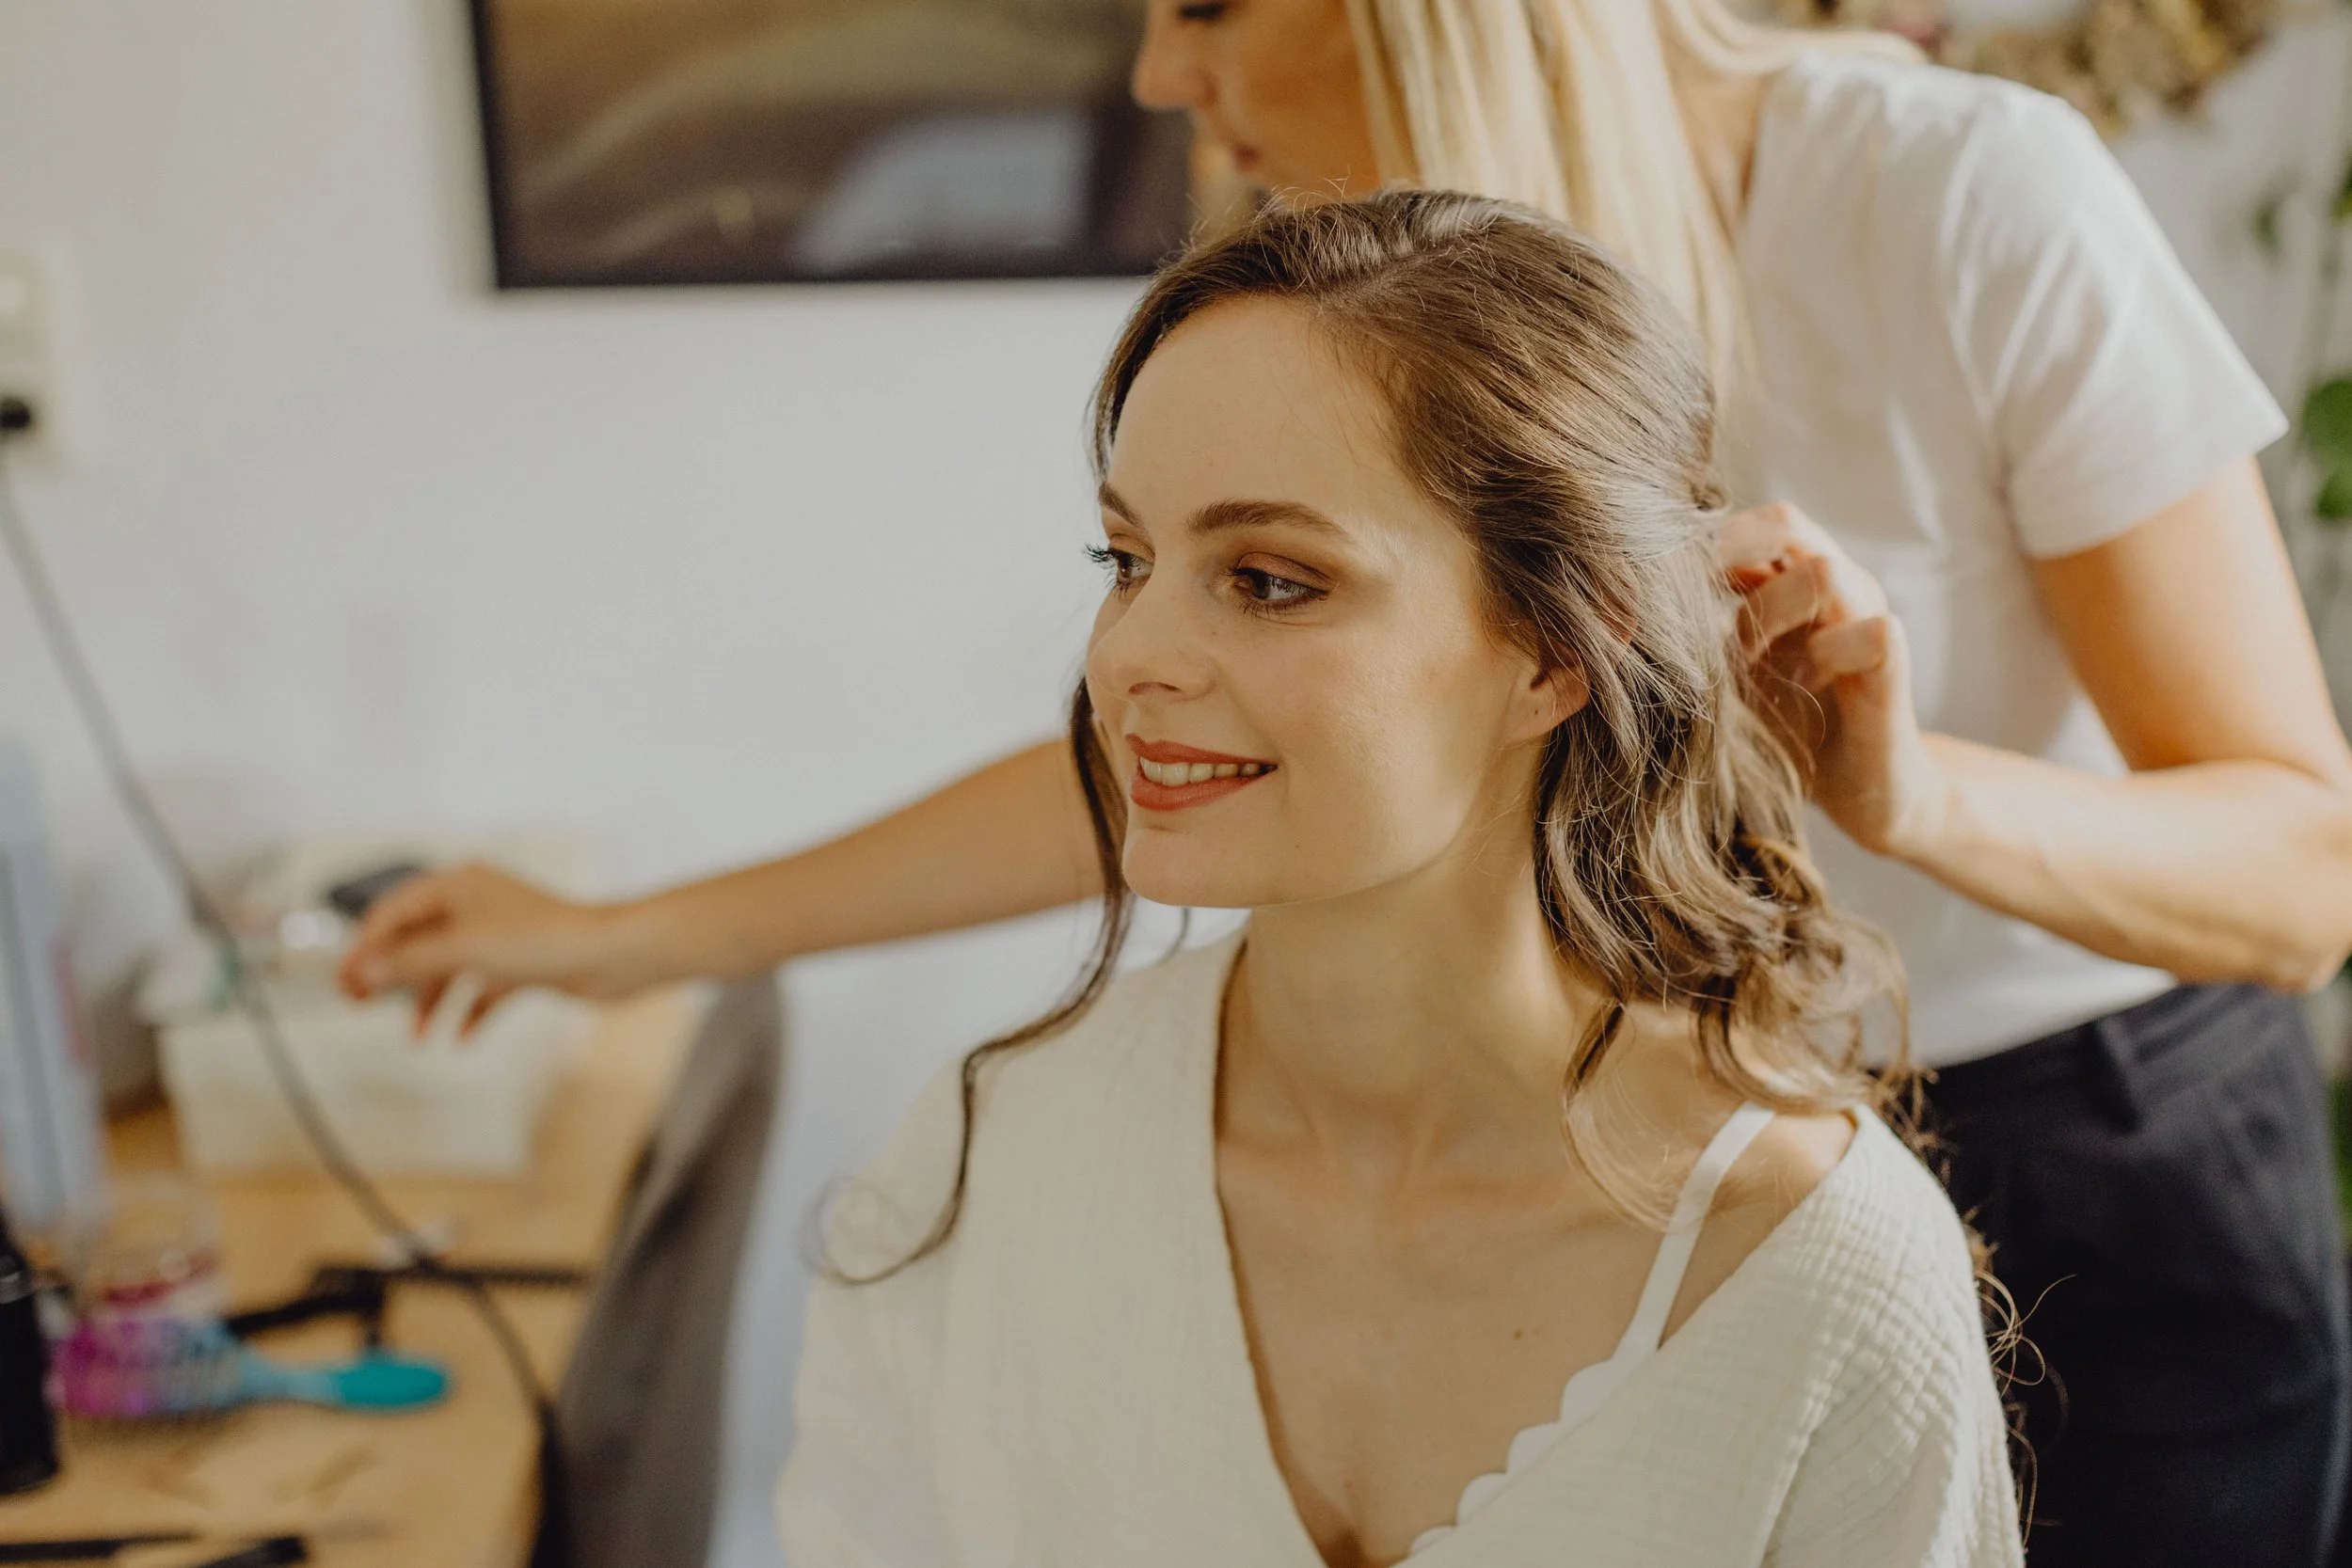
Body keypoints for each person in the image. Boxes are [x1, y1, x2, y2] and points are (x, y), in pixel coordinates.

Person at [343, 1, 2352, 1560]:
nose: (1150, 69)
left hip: (2082, 1153)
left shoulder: (1956, 200)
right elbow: (1218, 746)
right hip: (1557, 1116)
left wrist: (1907, 799)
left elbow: (2299, 864)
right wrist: (627, 940)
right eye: (1128, 558)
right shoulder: (995, 1172)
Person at [776, 188, 2022, 1566]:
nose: (1130, 654)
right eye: (1126, 559)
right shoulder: (985, 1164)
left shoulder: (1820, 1279)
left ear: (1556, 651)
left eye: (1270, 579)